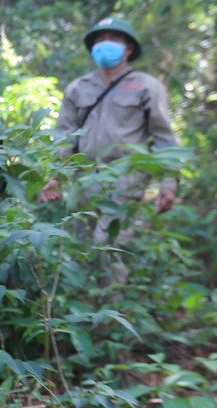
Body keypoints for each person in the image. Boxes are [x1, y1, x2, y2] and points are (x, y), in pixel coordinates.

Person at [39, 15, 179, 241]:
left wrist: (169, 183)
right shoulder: (78, 88)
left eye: (114, 38)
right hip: (83, 182)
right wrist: (57, 176)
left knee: (107, 249)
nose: (105, 43)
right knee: (81, 250)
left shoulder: (146, 86)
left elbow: (164, 138)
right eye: (100, 39)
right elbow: (64, 136)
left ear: (128, 48)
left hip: (124, 181)